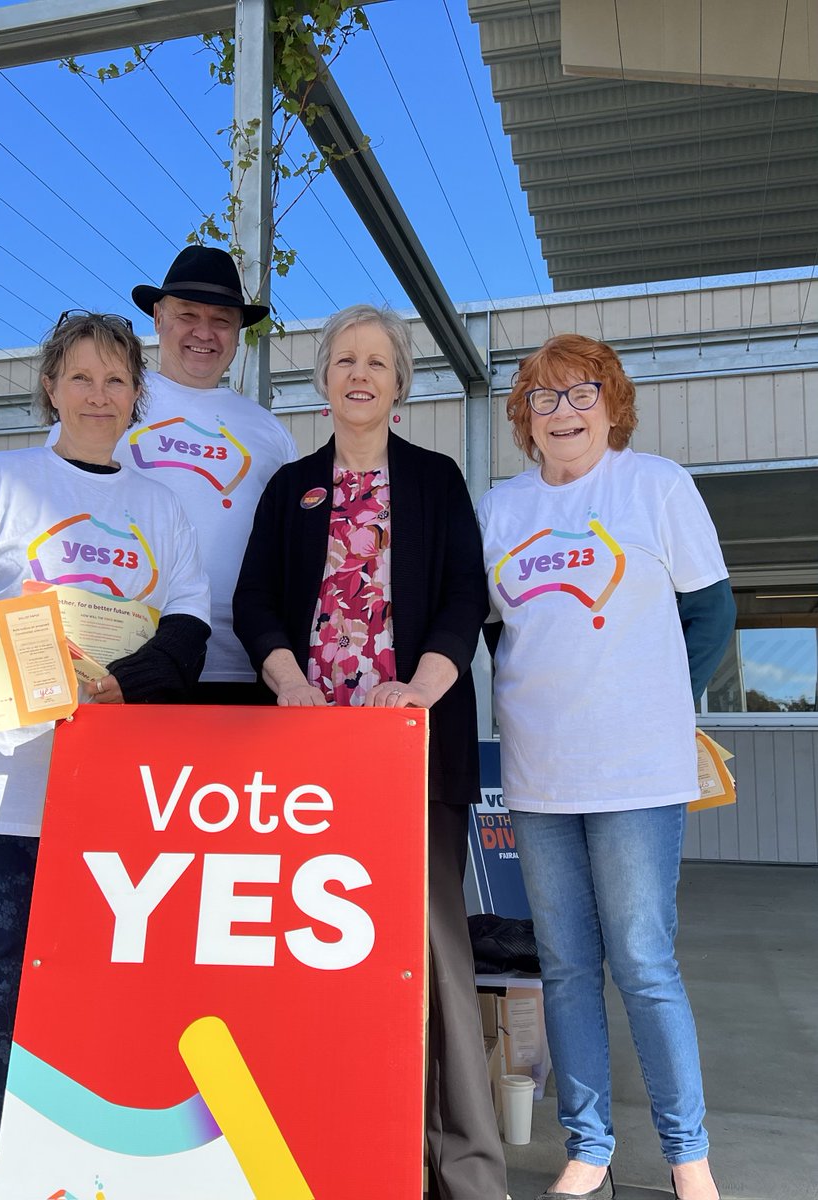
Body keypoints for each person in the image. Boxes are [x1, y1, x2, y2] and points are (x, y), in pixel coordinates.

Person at [0, 312, 211, 1200]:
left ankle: (91, 1143)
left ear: (137, 395)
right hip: (6, 769)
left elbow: (187, 626)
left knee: (112, 962)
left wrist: (124, 683)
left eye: (116, 382)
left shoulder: (161, 504)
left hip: (115, 766)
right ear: (50, 386)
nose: (99, 397)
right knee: (21, 949)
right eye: (81, 379)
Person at [233, 304, 509, 1200]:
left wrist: (421, 687)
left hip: (412, 750)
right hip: (309, 762)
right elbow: (256, 603)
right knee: (316, 954)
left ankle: (465, 1170)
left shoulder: (434, 479)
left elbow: (467, 594)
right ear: (322, 380)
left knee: (436, 957)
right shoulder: (290, 486)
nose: (360, 374)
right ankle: (331, 1147)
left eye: (379, 363)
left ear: (399, 384)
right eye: (345, 360)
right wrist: (287, 678)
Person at [477, 334, 735, 1200]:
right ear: (525, 418)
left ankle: (687, 1154)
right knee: (565, 966)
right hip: (542, 774)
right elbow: (493, 631)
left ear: (612, 401)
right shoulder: (501, 510)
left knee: (643, 959)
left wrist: (665, 702)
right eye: (543, 400)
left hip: (636, 775)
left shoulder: (656, 486)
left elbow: (711, 612)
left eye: (581, 393)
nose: (564, 413)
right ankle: (589, 1148)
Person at [47, 246, 297, 703]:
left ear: (239, 331)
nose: (204, 332)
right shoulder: (109, 405)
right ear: (159, 318)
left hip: (241, 666)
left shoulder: (270, 433)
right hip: (119, 667)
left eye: (222, 319)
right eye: (187, 315)